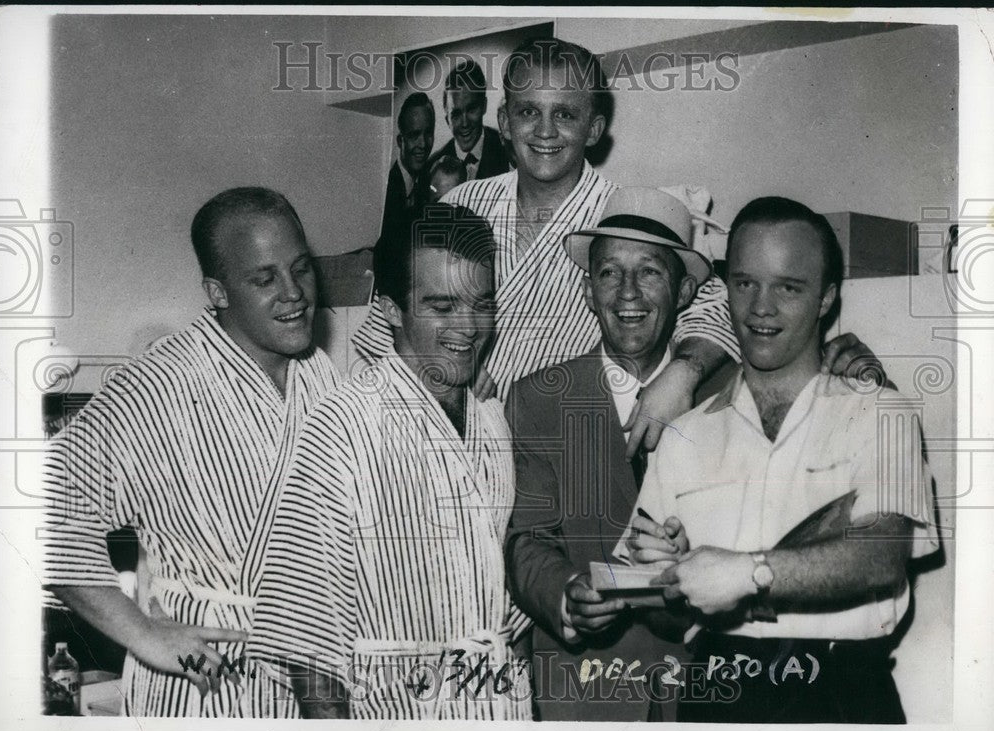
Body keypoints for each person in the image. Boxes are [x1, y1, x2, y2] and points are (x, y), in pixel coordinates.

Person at [355, 37, 874, 458]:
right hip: (448, 442)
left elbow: (714, 306)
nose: (545, 131)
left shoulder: (623, 216)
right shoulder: (462, 204)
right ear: (505, 123)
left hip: (567, 452)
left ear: (594, 128)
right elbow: (385, 323)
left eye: (566, 115)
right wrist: (437, 374)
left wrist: (682, 374)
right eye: (529, 112)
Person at [623, 197, 939, 724]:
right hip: (718, 695)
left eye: (788, 287)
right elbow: (662, 621)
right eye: (745, 283)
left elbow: (879, 556)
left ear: (825, 299)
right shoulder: (685, 434)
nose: (761, 307)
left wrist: (750, 572)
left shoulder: (880, 411)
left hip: (841, 696)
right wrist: (663, 580)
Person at [43, 187, 340, 717]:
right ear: (218, 292)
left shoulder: (320, 376)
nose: (295, 293)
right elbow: (39, 511)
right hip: (205, 684)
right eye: (264, 278)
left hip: (315, 686)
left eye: (301, 269)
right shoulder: (159, 385)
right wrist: (143, 634)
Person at [249, 204, 532, 720]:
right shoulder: (343, 426)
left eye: (481, 303)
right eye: (442, 307)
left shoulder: (491, 417)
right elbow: (308, 648)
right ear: (391, 310)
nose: (468, 329)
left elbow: (511, 619)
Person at [505, 187, 734, 721]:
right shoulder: (539, 398)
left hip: (699, 697)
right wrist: (566, 594)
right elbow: (526, 539)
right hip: (583, 699)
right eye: (609, 272)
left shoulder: (726, 399)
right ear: (588, 290)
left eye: (650, 271)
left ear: (683, 292)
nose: (627, 292)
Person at [429, 59, 511, 183]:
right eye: (456, 115)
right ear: (447, 120)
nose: (465, 123)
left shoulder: (508, 153)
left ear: (484, 106)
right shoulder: (431, 167)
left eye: (471, 110)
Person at [380, 92, 435, 243]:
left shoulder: (429, 184)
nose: (423, 144)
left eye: (428, 133)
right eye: (414, 135)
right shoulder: (385, 189)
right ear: (400, 140)